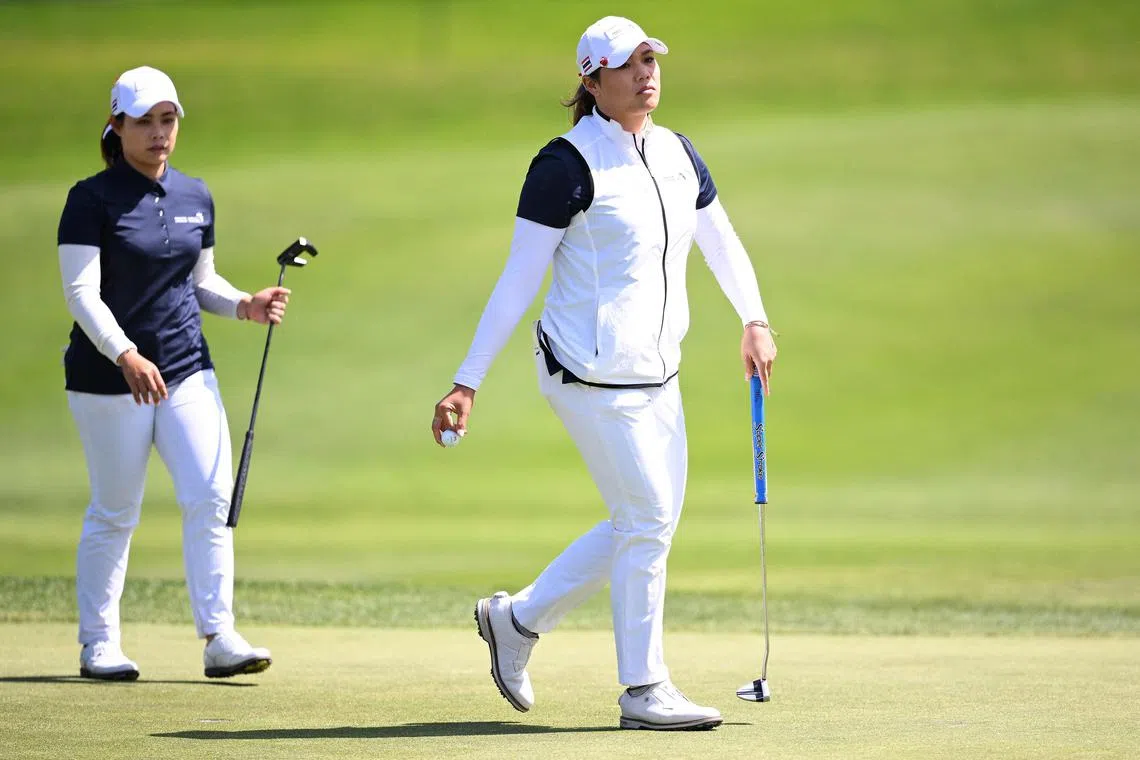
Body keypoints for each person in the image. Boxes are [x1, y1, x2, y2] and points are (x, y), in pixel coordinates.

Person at [432, 17, 777, 730]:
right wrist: (467, 380)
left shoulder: (679, 153)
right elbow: (518, 278)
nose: (646, 74)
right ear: (591, 81)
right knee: (647, 519)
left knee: (643, 522)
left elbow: (721, 238)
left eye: (651, 60)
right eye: (627, 65)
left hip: (659, 375)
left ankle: (516, 621)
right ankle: (643, 689)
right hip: (584, 376)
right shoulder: (564, 165)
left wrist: (755, 318)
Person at [58, 66, 289, 681]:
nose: (159, 133)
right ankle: (99, 643)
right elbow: (82, 294)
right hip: (110, 378)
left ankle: (219, 637)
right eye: (144, 122)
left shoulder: (195, 195)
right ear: (117, 125)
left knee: (210, 496)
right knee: (115, 510)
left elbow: (201, 282)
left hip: (186, 369)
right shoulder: (90, 200)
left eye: (168, 120)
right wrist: (124, 353)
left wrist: (245, 304)